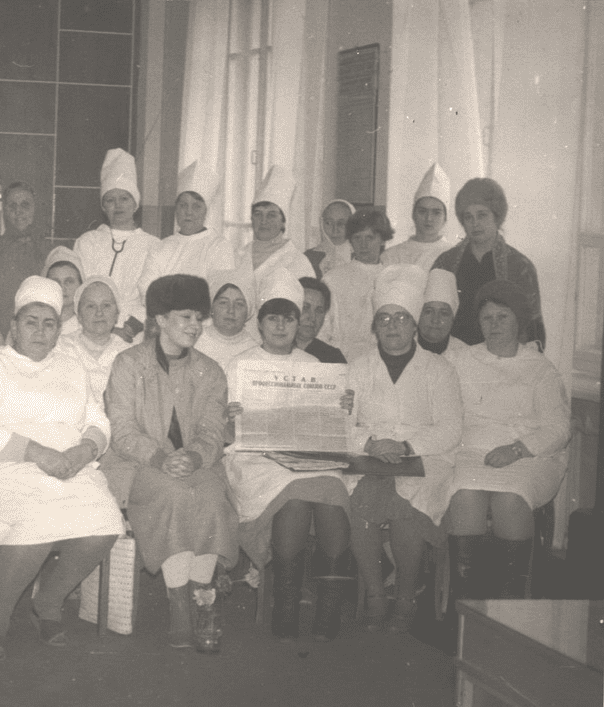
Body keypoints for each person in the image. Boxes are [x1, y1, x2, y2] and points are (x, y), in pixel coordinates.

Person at [0, 276, 123, 661]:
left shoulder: (71, 366)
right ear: (14, 326)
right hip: (3, 467)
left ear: (58, 331)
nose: (39, 331)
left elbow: (97, 420)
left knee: (106, 522)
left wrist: (85, 450)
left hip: (68, 464)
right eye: (31, 322)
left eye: (49, 323)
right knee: (36, 522)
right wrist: (39, 454)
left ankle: (48, 601)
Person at [100, 274, 238, 653]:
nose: (195, 326)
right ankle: (180, 608)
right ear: (160, 320)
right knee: (175, 497)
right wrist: (161, 458)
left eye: (199, 318)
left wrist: (193, 456)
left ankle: (202, 601)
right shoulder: (129, 364)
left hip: (198, 464)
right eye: (185, 317)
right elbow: (122, 430)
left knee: (211, 498)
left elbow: (212, 430)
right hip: (139, 463)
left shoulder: (211, 371)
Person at [223, 269, 353, 641]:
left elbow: (328, 426)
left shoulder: (313, 365)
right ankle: (286, 607)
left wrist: (341, 408)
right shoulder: (241, 365)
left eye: (289, 319)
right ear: (260, 324)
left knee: (332, 493)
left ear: (298, 324)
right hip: (257, 460)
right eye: (273, 318)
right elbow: (227, 434)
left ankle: (328, 610)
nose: (281, 326)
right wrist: (230, 419)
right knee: (294, 501)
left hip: (306, 457)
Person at [345, 265, 462, 634]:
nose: (392, 326)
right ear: (374, 327)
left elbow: (450, 429)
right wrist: (369, 443)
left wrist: (407, 446)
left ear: (414, 326)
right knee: (357, 498)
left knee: (406, 502)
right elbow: (340, 421)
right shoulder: (357, 368)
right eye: (384, 319)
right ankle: (376, 593)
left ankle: (406, 597)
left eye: (401, 318)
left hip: (423, 458)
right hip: (370, 456)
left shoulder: (439, 370)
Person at [445, 280, 570, 600]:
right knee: (465, 494)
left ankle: (509, 604)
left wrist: (516, 450)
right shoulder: (461, 360)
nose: (494, 324)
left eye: (503, 316)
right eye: (487, 318)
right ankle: (465, 605)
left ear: (519, 320)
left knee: (509, 500)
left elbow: (558, 429)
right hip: (471, 450)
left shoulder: (540, 368)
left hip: (529, 455)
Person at [433, 177, 544, 347]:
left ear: (497, 217)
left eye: (482, 215)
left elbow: (532, 329)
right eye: (468, 217)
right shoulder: (446, 262)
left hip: (503, 356)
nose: (475, 223)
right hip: (454, 353)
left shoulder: (519, 266)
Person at [73, 148, 160, 343]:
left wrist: (129, 329)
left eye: (124, 199)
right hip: (89, 331)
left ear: (135, 203)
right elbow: (78, 292)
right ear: (103, 207)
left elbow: (154, 299)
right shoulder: (87, 242)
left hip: (134, 334)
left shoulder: (153, 246)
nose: (118, 205)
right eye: (110, 200)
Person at [137, 165, 234, 296]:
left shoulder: (219, 246)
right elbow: (146, 288)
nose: (188, 212)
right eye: (183, 205)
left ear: (206, 211)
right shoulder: (161, 247)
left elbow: (218, 292)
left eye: (196, 206)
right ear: (176, 209)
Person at [0, 181, 52, 338]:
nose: (18, 211)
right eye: (12, 206)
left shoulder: (48, 252)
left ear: (35, 209)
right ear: (4, 211)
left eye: (25, 205)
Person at [319, 208, 394, 362]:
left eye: (370, 237)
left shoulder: (392, 278)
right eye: (357, 238)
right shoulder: (333, 278)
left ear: (382, 240)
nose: (363, 245)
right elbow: (323, 328)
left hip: (382, 361)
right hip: (342, 359)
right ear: (351, 241)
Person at [236, 166, 315, 295]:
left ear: (283, 221)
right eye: (258, 214)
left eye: (271, 215)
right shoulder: (238, 256)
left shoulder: (298, 262)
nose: (263, 221)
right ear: (251, 218)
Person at [54, 275, 131, 404]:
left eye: (106, 305)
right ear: (79, 315)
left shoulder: (130, 355)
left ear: (117, 314)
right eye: (91, 306)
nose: (99, 313)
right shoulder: (60, 348)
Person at [381, 163, 455, 271]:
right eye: (422, 211)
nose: (428, 218)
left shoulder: (454, 256)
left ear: (445, 218)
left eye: (436, 212)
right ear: (413, 214)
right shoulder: (391, 256)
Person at [193, 269, 259, 372]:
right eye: (223, 303)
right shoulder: (192, 341)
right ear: (212, 307)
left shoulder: (255, 352)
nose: (231, 310)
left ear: (248, 311)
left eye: (239, 304)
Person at [417, 269, 468, 356]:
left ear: (452, 318)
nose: (435, 320)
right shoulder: (400, 347)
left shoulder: (467, 356)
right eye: (429, 311)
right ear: (418, 314)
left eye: (444, 313)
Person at [296, 277, 346, 364]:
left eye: (319, 311)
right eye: (305, 308)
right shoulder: (275, 350)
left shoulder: (333, 358)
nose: (312, 317)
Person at [304, 199, 355, 278]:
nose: (335, 230)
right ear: (321, 223)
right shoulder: (309, 257)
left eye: (341, 223)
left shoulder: (361, 255)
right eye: (329, 223)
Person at [43, 246, 84, 339]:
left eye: (69, 281)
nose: (62, 288)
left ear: (80, 285)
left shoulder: (87, 330)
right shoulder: (35, 327)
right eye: (56, 282)